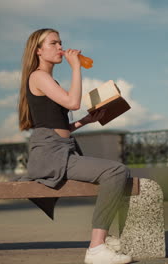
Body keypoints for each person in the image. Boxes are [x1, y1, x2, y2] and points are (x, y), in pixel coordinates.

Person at [18, 28, 132, 264]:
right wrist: (76, 67)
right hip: (50, 154)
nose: (60, 47)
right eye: (53, 43)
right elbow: (73, 101)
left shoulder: (48, 79)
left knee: (115, 174)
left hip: (60, 148)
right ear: (38, 51)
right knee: (116, 171)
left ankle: (104, 238)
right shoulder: (38, 76)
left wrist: (85, 121)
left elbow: (58, 126)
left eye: (61, 43)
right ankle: (96, 247)